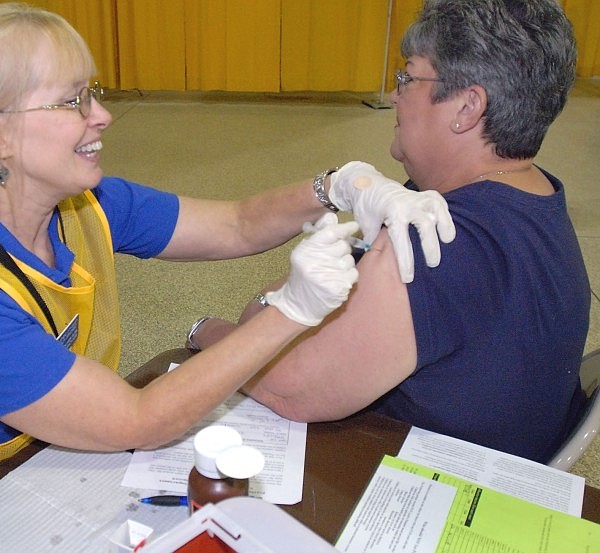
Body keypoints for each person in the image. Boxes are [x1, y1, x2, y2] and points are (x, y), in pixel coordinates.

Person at [0, 4, 454, 547]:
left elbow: (237, 225)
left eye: (94, 92)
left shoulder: (81, 204)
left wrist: (342, 185)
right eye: (72, 100)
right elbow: (137, 421)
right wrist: (292, 312)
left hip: (24, 465)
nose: (102, 115)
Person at [191, 0, 591, 465]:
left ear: (467, 107)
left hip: (434, 492)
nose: (395, 95)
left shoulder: (438, 233)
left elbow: (291, 389)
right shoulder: (534, 192)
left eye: (408, 77)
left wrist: (205, 332)